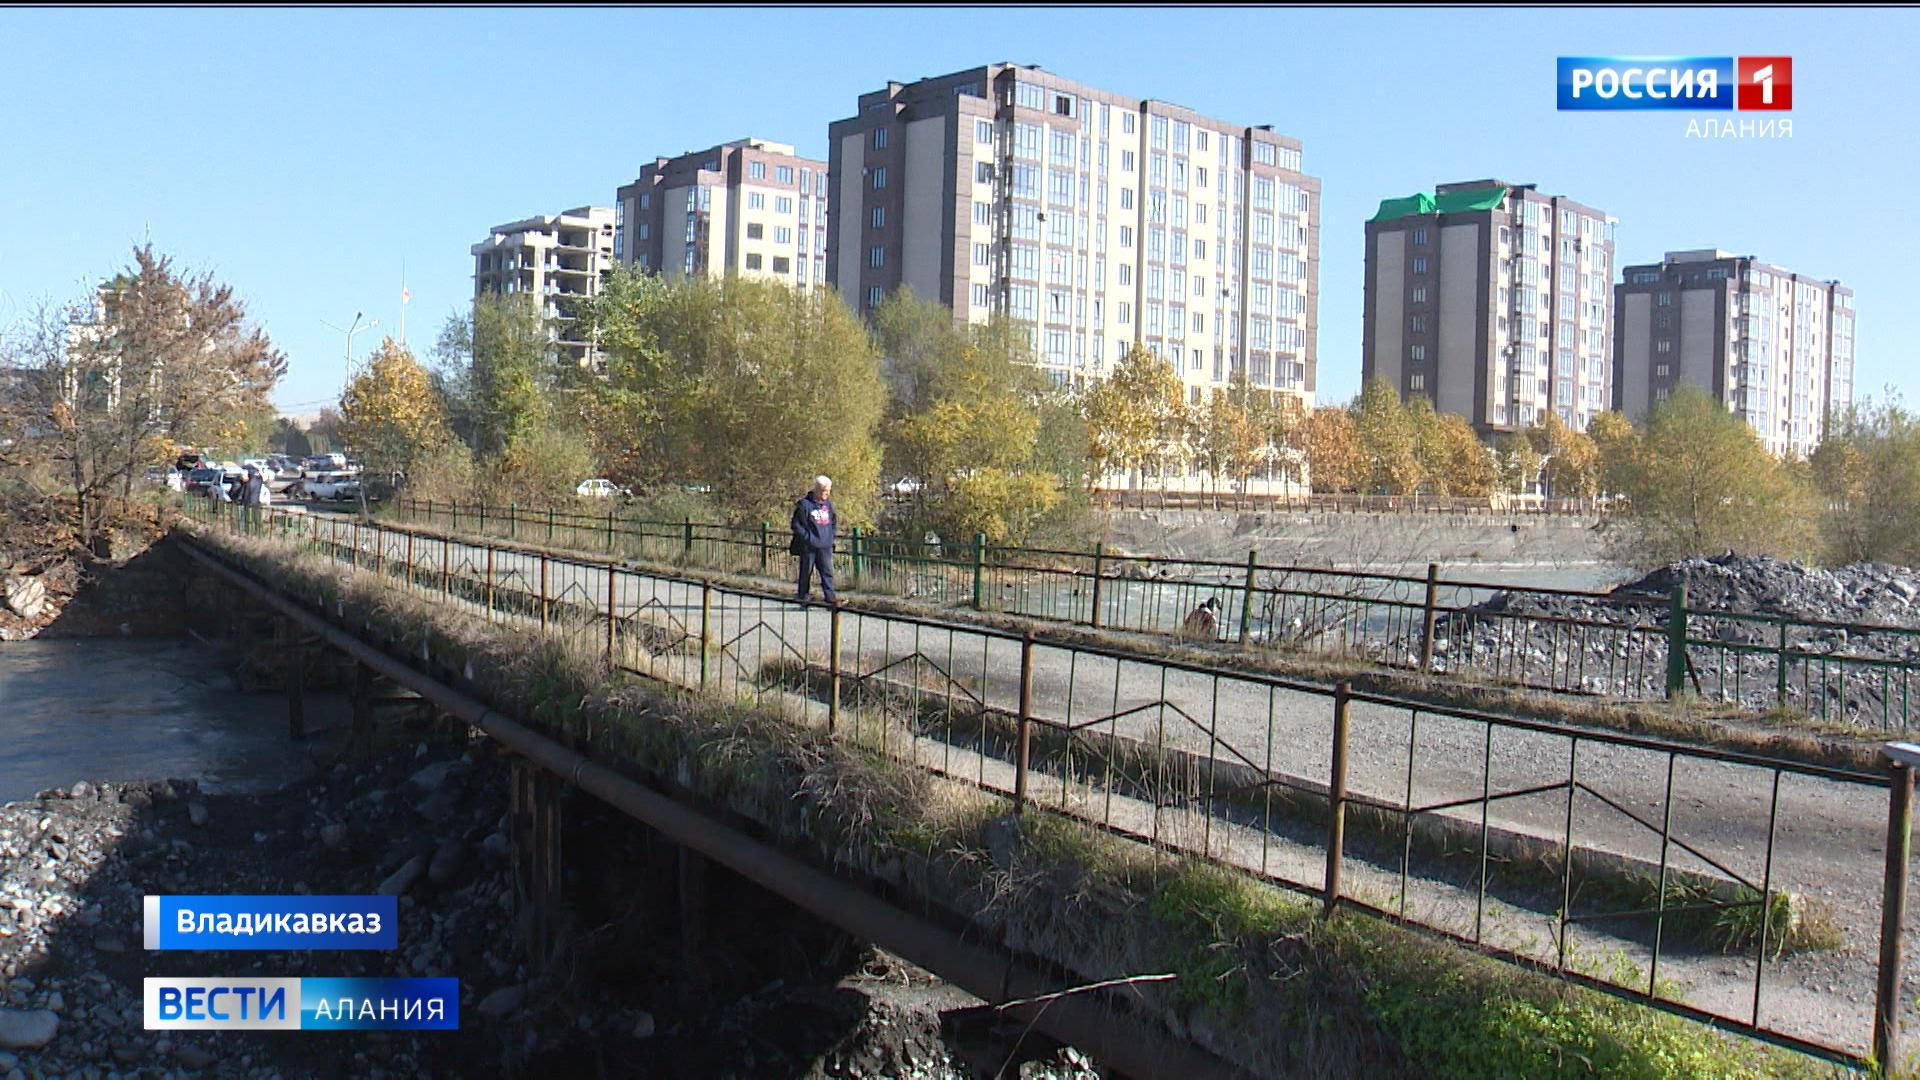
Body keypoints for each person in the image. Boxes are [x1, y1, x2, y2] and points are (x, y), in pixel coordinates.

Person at [790, 475, 837, 604]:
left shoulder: (828, 505)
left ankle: (830, 599)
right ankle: (803, 597)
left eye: (828, 490)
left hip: (825, 546)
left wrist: (830, 536)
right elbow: (796, 525)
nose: (827, 493)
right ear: (816, 490)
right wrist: (808, 538)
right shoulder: (804, 505)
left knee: (827, 573)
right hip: (809, 546)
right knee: (806, 573)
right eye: (824, 490)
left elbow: (833, 521)